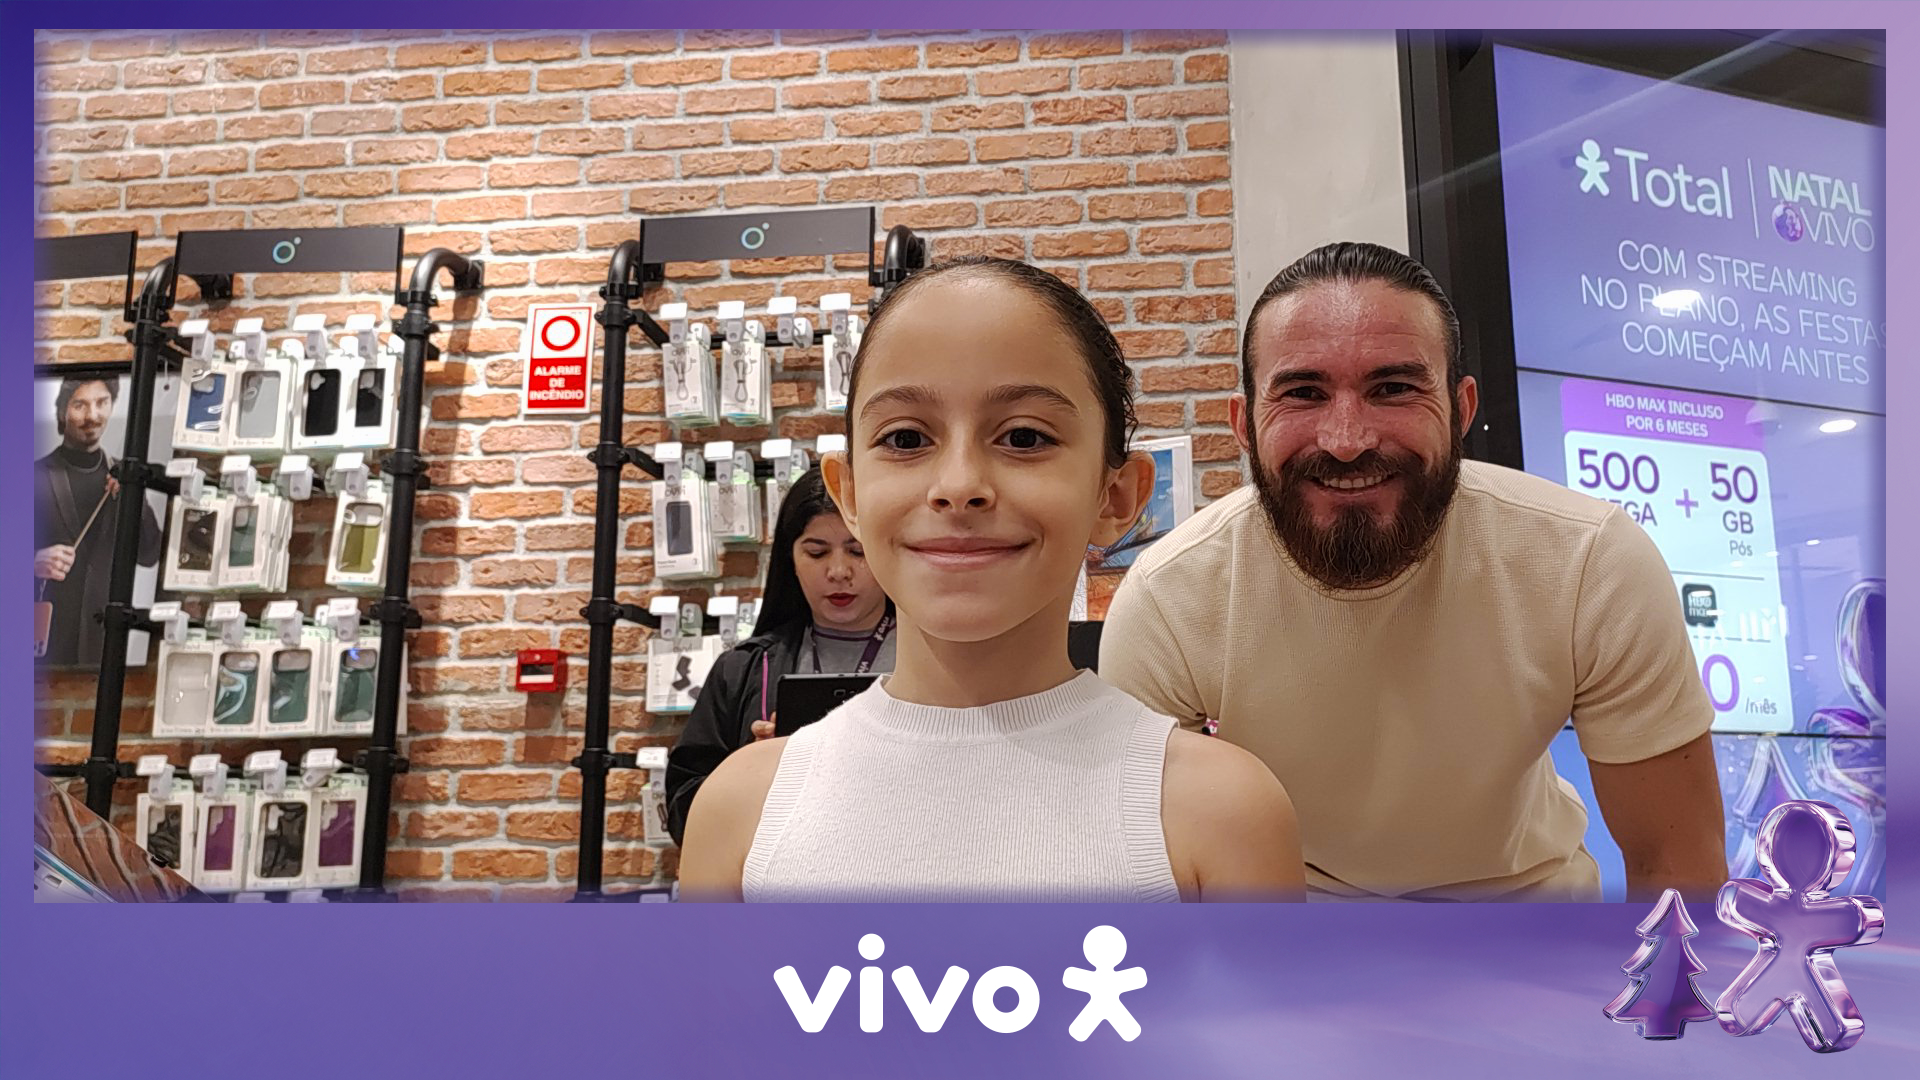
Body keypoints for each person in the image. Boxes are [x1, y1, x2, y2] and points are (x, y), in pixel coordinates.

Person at [1100, 241, 1727, 902]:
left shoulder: (1590, 563)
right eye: (1303, 393)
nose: (1347, 440)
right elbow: (1142, 880)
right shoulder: (1169, 599)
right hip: (1294, 930)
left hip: (1533, 919)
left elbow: (1675, 861)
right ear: (1245, 425)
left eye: (1393, 388)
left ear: (1462, 409)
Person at [679, 257, 1302, 902]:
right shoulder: (740, 810)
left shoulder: (1222, 812)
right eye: (906, 438)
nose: (958, 486)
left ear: (1116, 495)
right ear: (851, 495)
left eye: (1025, 437)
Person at [664, 467, 896, 845]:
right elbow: (683, 812)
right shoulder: (743, 670)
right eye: (816, 552)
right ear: (791, 559)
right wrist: (750, 769)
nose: (839, 571)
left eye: (858, 550)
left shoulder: (944, 660)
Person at [34, 376, 163, 666]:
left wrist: (135, 498)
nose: (92, 416)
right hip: (42, 649)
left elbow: (149, 555)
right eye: (80, 405)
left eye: (101, 403)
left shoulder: (126, 477)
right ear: (62, 410)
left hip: (105, 647)